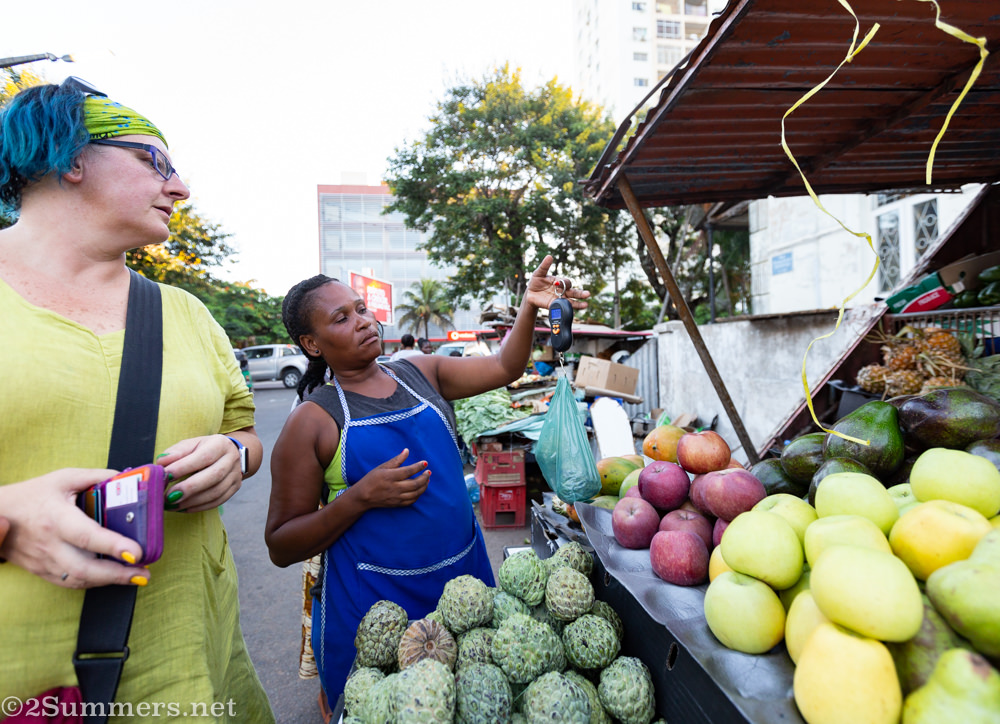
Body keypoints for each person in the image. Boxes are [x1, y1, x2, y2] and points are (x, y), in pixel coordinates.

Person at [0, 79, 274, 721]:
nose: (180, 188)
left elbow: (246, 430)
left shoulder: (186, 313)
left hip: (195, 669)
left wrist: (236, 453)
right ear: (71, 157)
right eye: (156, 162)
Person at [266, 256, 588, 707]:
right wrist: (358, 498)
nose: (363, 321)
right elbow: (281, 544)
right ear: (311, 343)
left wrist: (529, 309)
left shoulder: (420, 373)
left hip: (464, 581)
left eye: (361, 309)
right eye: (341, 318)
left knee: (473, 702)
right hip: (377, 605)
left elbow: (504, 367)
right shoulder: (314, 421)